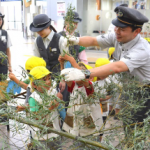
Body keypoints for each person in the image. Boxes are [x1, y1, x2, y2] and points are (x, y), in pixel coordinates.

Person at [62, 6, 150, 126]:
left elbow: (117, 67)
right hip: (128, 87)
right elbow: (94, 41)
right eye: (116, 26)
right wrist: (75, 40)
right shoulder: (117, 36)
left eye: (122, 29)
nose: (117, 31)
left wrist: (85, 73)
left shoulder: (142, 49)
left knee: (135, 126)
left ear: (137, 31)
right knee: (127, 123)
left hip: (143, 92)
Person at [60, 55, 103, 146]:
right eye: (75, 72)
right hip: (77, 128)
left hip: (90, 129)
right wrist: (61, 63)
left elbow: (83, 77)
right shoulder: (73, 86)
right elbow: (65, 75)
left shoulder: (90, 86)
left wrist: (72, 60)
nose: (77, 74)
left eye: (80, 71)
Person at [30, 14, 67, 93]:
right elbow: (36, 61)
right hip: (45, 82)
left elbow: (67, 62)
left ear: (48, 26)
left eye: (41, 30)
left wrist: (63, 79)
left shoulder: (61, 40)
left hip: (60, 80)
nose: (39, 33)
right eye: (37, 31)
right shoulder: (37, 41)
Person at [27, 66, 62, 149]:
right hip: (42, 136)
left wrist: (59, 100)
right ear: (34, 84)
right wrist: (50, 108)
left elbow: (59, 110)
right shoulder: (34, 98)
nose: (48, 82)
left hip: (55, 132)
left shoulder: (53, 92)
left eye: (49, 78)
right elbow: (36, 117)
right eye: (44, 80)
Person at [0, 12, 12, 81]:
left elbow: (8, 51)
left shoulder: (5, 33)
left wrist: (9, 65)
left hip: (3, 66)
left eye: (0, 19)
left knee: (3, 85)